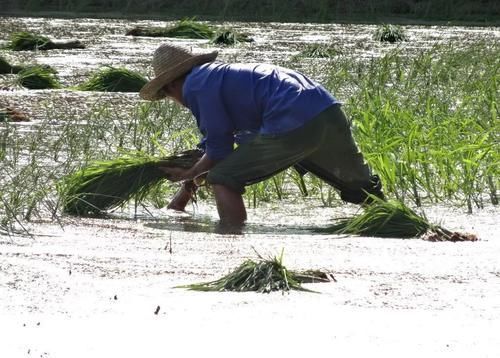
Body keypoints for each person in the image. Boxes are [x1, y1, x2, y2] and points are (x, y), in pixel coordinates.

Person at [139, 43, 383, 232]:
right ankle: (397, 222)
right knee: (362, 188)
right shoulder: (216, 77)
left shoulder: (196, 86)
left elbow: (219, 153)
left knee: (223, 177)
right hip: (327, 111)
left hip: (292, 118)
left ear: (171, 86)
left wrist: (189, 173)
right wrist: (179, 202)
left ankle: (231, 237)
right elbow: (213, 150)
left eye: (168, 97)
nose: (176, 102)